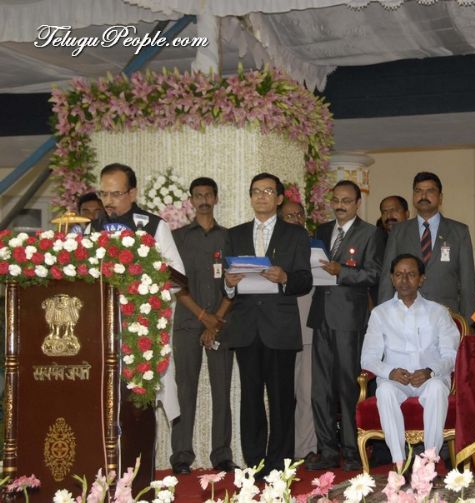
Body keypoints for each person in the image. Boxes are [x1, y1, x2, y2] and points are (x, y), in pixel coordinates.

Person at [222, 172, 312, 475]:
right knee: (250, 399)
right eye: (256, 191)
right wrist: (229, 284)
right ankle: (255, 464)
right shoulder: (234, 234)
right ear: (250, 197)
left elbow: (305, 280)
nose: (261, 196)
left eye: (268, 191)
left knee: (282, 399)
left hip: (280, 327)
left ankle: (279, 465)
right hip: (246, 327)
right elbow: (225, 283)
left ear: (279, 198)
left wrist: (285, 277)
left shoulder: (295, 235)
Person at [92, 163, 185, 420]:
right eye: (104, 194)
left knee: (136, 408)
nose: (108, 201)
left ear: (132, 193)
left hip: (140, 329)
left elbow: (178, 276)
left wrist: (143, 278)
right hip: (100, 330)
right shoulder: (93, 229)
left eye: (116, 194)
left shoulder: (153, 226)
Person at [305, 180, 384, 471]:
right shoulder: (322, 231)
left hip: (350, 319)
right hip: (321, 316)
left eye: (346, 201)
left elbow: (373, 274)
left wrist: (342, 272)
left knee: (348, 388)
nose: (340, 205)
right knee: (320, 389)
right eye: (336, 200)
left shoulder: (371, 233)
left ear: (357, 203)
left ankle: (352, 451)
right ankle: (327, 450)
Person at [361, 253, 459, 471]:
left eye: (411, 274)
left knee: (436, 389)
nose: (404, 280)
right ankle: (400, 463)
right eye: (399, 274)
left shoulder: (439, 312)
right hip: (397, 381)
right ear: (392, 278)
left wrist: (430, 371)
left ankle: (429, 462)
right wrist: (390, 372)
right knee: (384, 390)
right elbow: (367, 358)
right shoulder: (380, 313)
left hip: (430, 379)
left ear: (422, 279)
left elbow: (452, 355)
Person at [169, 177, 237, 475]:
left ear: (216, 198)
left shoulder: (230, 238)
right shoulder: (178, 238)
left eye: (209, 195)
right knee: (185, 390)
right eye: (198, 195)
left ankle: (221, 455)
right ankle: (181, 456)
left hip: (222, 322)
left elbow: (235, 282)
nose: (204, 200)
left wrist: (215, 320)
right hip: (188, 322)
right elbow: (174, 283)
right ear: (191, 200)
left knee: (222, 390)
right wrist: (202, 317)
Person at [378, 172, 475, 320]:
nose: (423, 196)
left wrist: (468, 324)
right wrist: (384, 318)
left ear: (440, 197)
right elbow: (387, 278)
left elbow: (467, 283)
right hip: (405, 315)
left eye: (430, 191)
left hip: (447, 316)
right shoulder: (398, 231)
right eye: (418, 191)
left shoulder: (459, 232)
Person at [279, 199, 318, 461]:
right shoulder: (274, 247)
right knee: (282, 395)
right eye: (290, 215)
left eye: (299, 214)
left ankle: (306, 449)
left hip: (308, 328)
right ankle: (282, 449)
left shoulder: (315, 246)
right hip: (278, 329)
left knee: (307, 393)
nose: (296, 219)